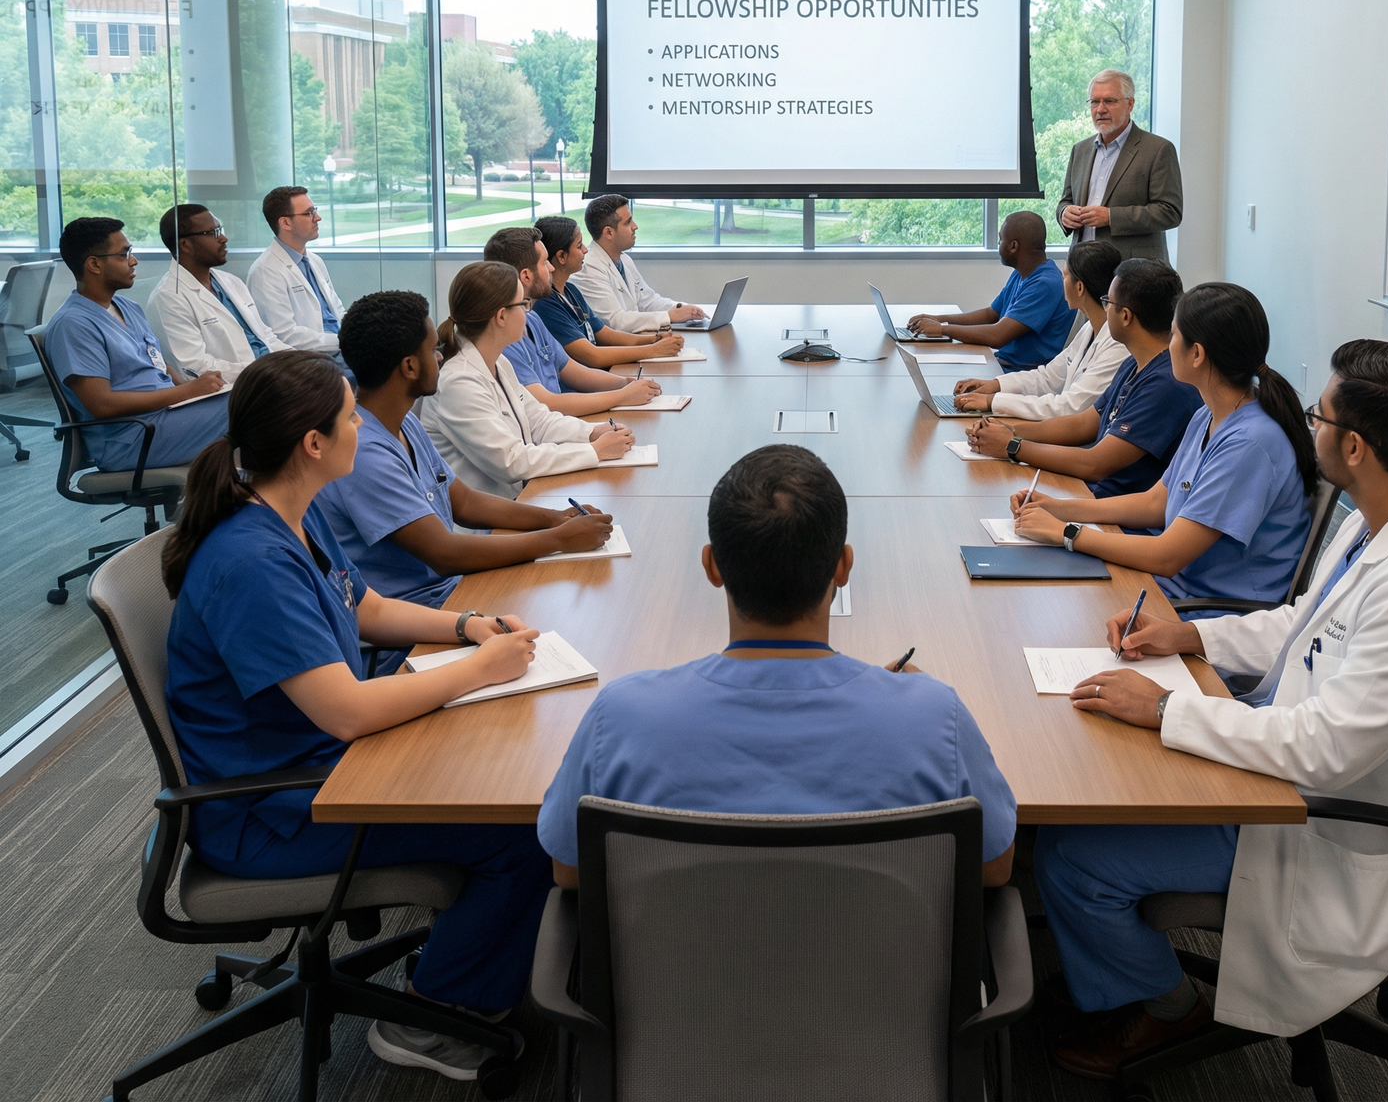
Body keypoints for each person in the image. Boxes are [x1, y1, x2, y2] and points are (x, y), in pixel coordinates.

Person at [1029, 340, 1388, 1077]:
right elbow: (1299, 623)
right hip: (1282, 765)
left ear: (1352, 444)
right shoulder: (1382, 515)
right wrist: (1186, 633)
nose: (1306, 424)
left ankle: (1166, 1009)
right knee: (1092, 774)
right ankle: (1109, 974)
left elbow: (1325, 751)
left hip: (1315, 817)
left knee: (1070, 856)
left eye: (1319, 414)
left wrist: (1163, 711)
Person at [162, 350, 554, 1080]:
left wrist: (467, 627)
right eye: (349, 419)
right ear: (313, 443)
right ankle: (436, 1021)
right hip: (272, 808)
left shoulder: (286, 513)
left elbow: (364, 607)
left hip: (315, 768)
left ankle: (468, 948)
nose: (360, 428)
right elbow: (343, 712)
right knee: (524, 827)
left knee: (489, 768)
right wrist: (479, 670)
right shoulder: (252, 559)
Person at [538, 445, 1017, 887]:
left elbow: (569, 871)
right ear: (843, 568)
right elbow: (994, 867)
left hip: (682, 980)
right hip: (873, 975)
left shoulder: (621, 718)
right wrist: (899, 696)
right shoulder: (934, 718)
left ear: (711, 567)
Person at [318, 289, 617, 633]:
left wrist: (555, 519)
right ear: (410, 367)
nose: (441, 358)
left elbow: (463, 500)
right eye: (433, 350)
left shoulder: (404, 422)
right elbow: (444, 554)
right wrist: (559, 539)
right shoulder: (365, 452)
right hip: (419, 620)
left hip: (453, 593)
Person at [1009, 282, 1316, 611]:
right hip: (1172, 587)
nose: (1166, 346)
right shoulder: (1208, 415)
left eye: (1173, 336)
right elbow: (1158, 502)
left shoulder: (1250, 443)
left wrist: (1065, 533)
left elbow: (1168, 556)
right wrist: (1058, 507)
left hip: (1205, 610)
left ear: (1196, 354)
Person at [966, 258, 1201, 503]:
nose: (1104, 308)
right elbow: (1083, 424)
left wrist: (1013, 445)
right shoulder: (1134, 363)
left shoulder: (1165, 385)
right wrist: (1009, 430)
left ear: (1126, 316)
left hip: (1114, 507)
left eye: (1108, 302)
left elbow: (1096, 464)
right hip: (1092, 491)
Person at [419, 260, 634, 496]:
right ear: (501, 317)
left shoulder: (499, 362)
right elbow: (511, 461)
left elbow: (539, 421)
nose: (528, 312)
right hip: (487, 528)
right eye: (523, 304)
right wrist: (594, 451)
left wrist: (592, 432)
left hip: (517, 501)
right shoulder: (458, 382)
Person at [43, 216, 230, 472]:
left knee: (266, 396)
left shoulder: (129, 308)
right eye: (124, 254)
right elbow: (102, 404)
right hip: (132, 438)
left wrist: (195, 389)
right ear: (94, 264)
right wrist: (189, 392)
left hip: (168, 418)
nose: (134, 261)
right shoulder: (73, 324)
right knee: (258, 403)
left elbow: (159, 365)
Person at [482, 227, 664, 416]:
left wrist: (627, 383)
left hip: (560, 421)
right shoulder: (504, 338)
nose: (551, 267)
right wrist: (622, 396)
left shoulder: (533, 319)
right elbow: (545, 404)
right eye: (545, 262)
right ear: (526, 275)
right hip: (552, 423)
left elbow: (577, 373)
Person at [953, 239, 1128, 416]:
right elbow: (1048, 378)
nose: (1061, 281)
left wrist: (994, 401)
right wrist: (996, 385)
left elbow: (1070, 407)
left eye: (1065, 276)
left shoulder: (1117, 345)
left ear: (1080, 287)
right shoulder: (1089, 329)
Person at [907, 210, 1075, 371]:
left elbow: (997, 336)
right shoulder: (1022, 274)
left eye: (1000, 240)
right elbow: (990, 314)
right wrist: (939, 319)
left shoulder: (1046, 284)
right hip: (1004, 363)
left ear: (1013, 246)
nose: (998, 245)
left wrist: (942, 329)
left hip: (1021, 374)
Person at [147, 203, 290, 384]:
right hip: (237, 389)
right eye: (213, 233)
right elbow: (195, 368)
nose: (223, 238)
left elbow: (266, 337)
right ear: (185, 244)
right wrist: (270, 370)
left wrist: (298, 360)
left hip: (269, 376)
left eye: (219, 229)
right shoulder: (169, 298)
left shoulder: (231, 282)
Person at [1056, 70, 1182, 262]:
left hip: (1134, 272)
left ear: (1130, 104)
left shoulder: (1158, 150)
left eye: (1110, 101)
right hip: (1084, 268)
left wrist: (1111, 217)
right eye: (1094, 102)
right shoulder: (1080, 150)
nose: (1100, 109)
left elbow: (1170, 212)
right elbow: (1065, 201)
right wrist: (1064, 214)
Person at [532, 215, 687, 371]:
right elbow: (593, 356)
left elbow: (605, 334)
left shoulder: (571, 291)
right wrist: (654, 350)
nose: (585, 250)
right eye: (579, 246)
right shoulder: (546, 304)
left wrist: (653, 340)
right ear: (561, 256)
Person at [570, 194, 705, 331]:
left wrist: (685, 309)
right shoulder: (588, 268)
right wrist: (669, 316)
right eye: (628, 222)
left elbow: (648, 301)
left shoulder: (624, 260)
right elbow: (615, 321)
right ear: (609, 233)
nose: (635, 226)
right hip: (617, 347)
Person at [247, 185, 347, 357]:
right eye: (309, 213)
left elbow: (337, 309)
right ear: (285, 223)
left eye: (314, 211)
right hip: (310, 360)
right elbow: (285, 336)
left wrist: (356, 334)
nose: (318, 218)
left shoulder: (314, 260)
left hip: (339, 348)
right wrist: (344, 341)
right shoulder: (265, 272)